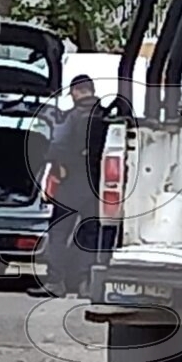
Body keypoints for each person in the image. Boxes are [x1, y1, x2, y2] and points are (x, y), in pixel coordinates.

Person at [32, 74, 107, 298]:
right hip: (98, 184)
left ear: (76, 92)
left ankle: (56, 282)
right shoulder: (106, 116)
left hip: (73, 181)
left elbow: (57, 145)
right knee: (89, 233)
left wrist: (59, 164)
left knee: (59, 231)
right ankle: (85, 283)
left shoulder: (72, 117)